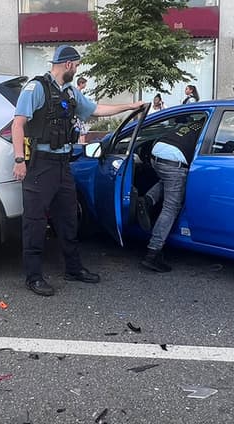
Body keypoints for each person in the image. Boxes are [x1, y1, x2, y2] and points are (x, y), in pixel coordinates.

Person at [11, 45, 144, 297]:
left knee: (68, 218)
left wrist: (130, 106)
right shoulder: (36, 88)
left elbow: (95, 110)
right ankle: (34, 276)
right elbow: (18, 124)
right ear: (69, 65)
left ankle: (73, 269)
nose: (78, 69)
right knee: (35, 222)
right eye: (77, 65)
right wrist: (20, 159)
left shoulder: (71, 92)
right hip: (40, 165)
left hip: (63, 165)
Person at [138, 113, 206, 273]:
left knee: (169, 180)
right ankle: (153, 254)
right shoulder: (208, 130)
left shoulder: (192, 125)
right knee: (171, 207)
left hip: (157, 154)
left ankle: (147, 200)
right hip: (174, 161)